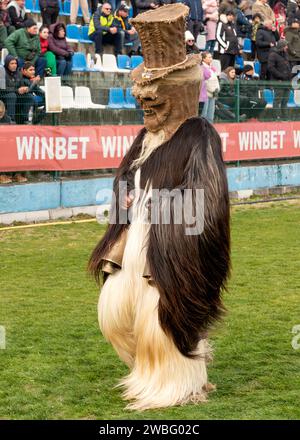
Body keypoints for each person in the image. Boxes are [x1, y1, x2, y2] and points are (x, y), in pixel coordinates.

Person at [89, 3, 230, 411]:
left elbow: (205, 200)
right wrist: (126, 201)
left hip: (166, 256)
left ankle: (178, 383)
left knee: (160, 327)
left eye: (155, 97)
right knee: (114, 315)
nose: (146, 104)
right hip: (133, 248)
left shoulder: (200, 136)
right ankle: (146, 373)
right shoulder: (144, 138)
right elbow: (122, 182)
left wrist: (158, 215)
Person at [268, 39, 292, 119]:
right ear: (282, 46)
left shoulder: (285, 54)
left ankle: (285, 117)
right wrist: (281, 76)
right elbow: (270, 68)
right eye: (286, 46)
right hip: (279, 82)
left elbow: (288, 67)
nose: (287, 47)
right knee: (277, 100)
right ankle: (276, 117)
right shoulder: (273, 55)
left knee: (285, 101)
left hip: (287, 82)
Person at [200, 51, 219, 123]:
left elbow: (215, 81)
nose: (211, 59)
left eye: (211, 57)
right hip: (205, 94)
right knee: (204, 115)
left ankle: (209, 132)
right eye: (209, 57)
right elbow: (205, 82)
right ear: (203, 59)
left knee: (211, 116)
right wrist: (212, 90)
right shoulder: (202, 68)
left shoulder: (212, 69)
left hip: (213, 94)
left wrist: (216, 90)